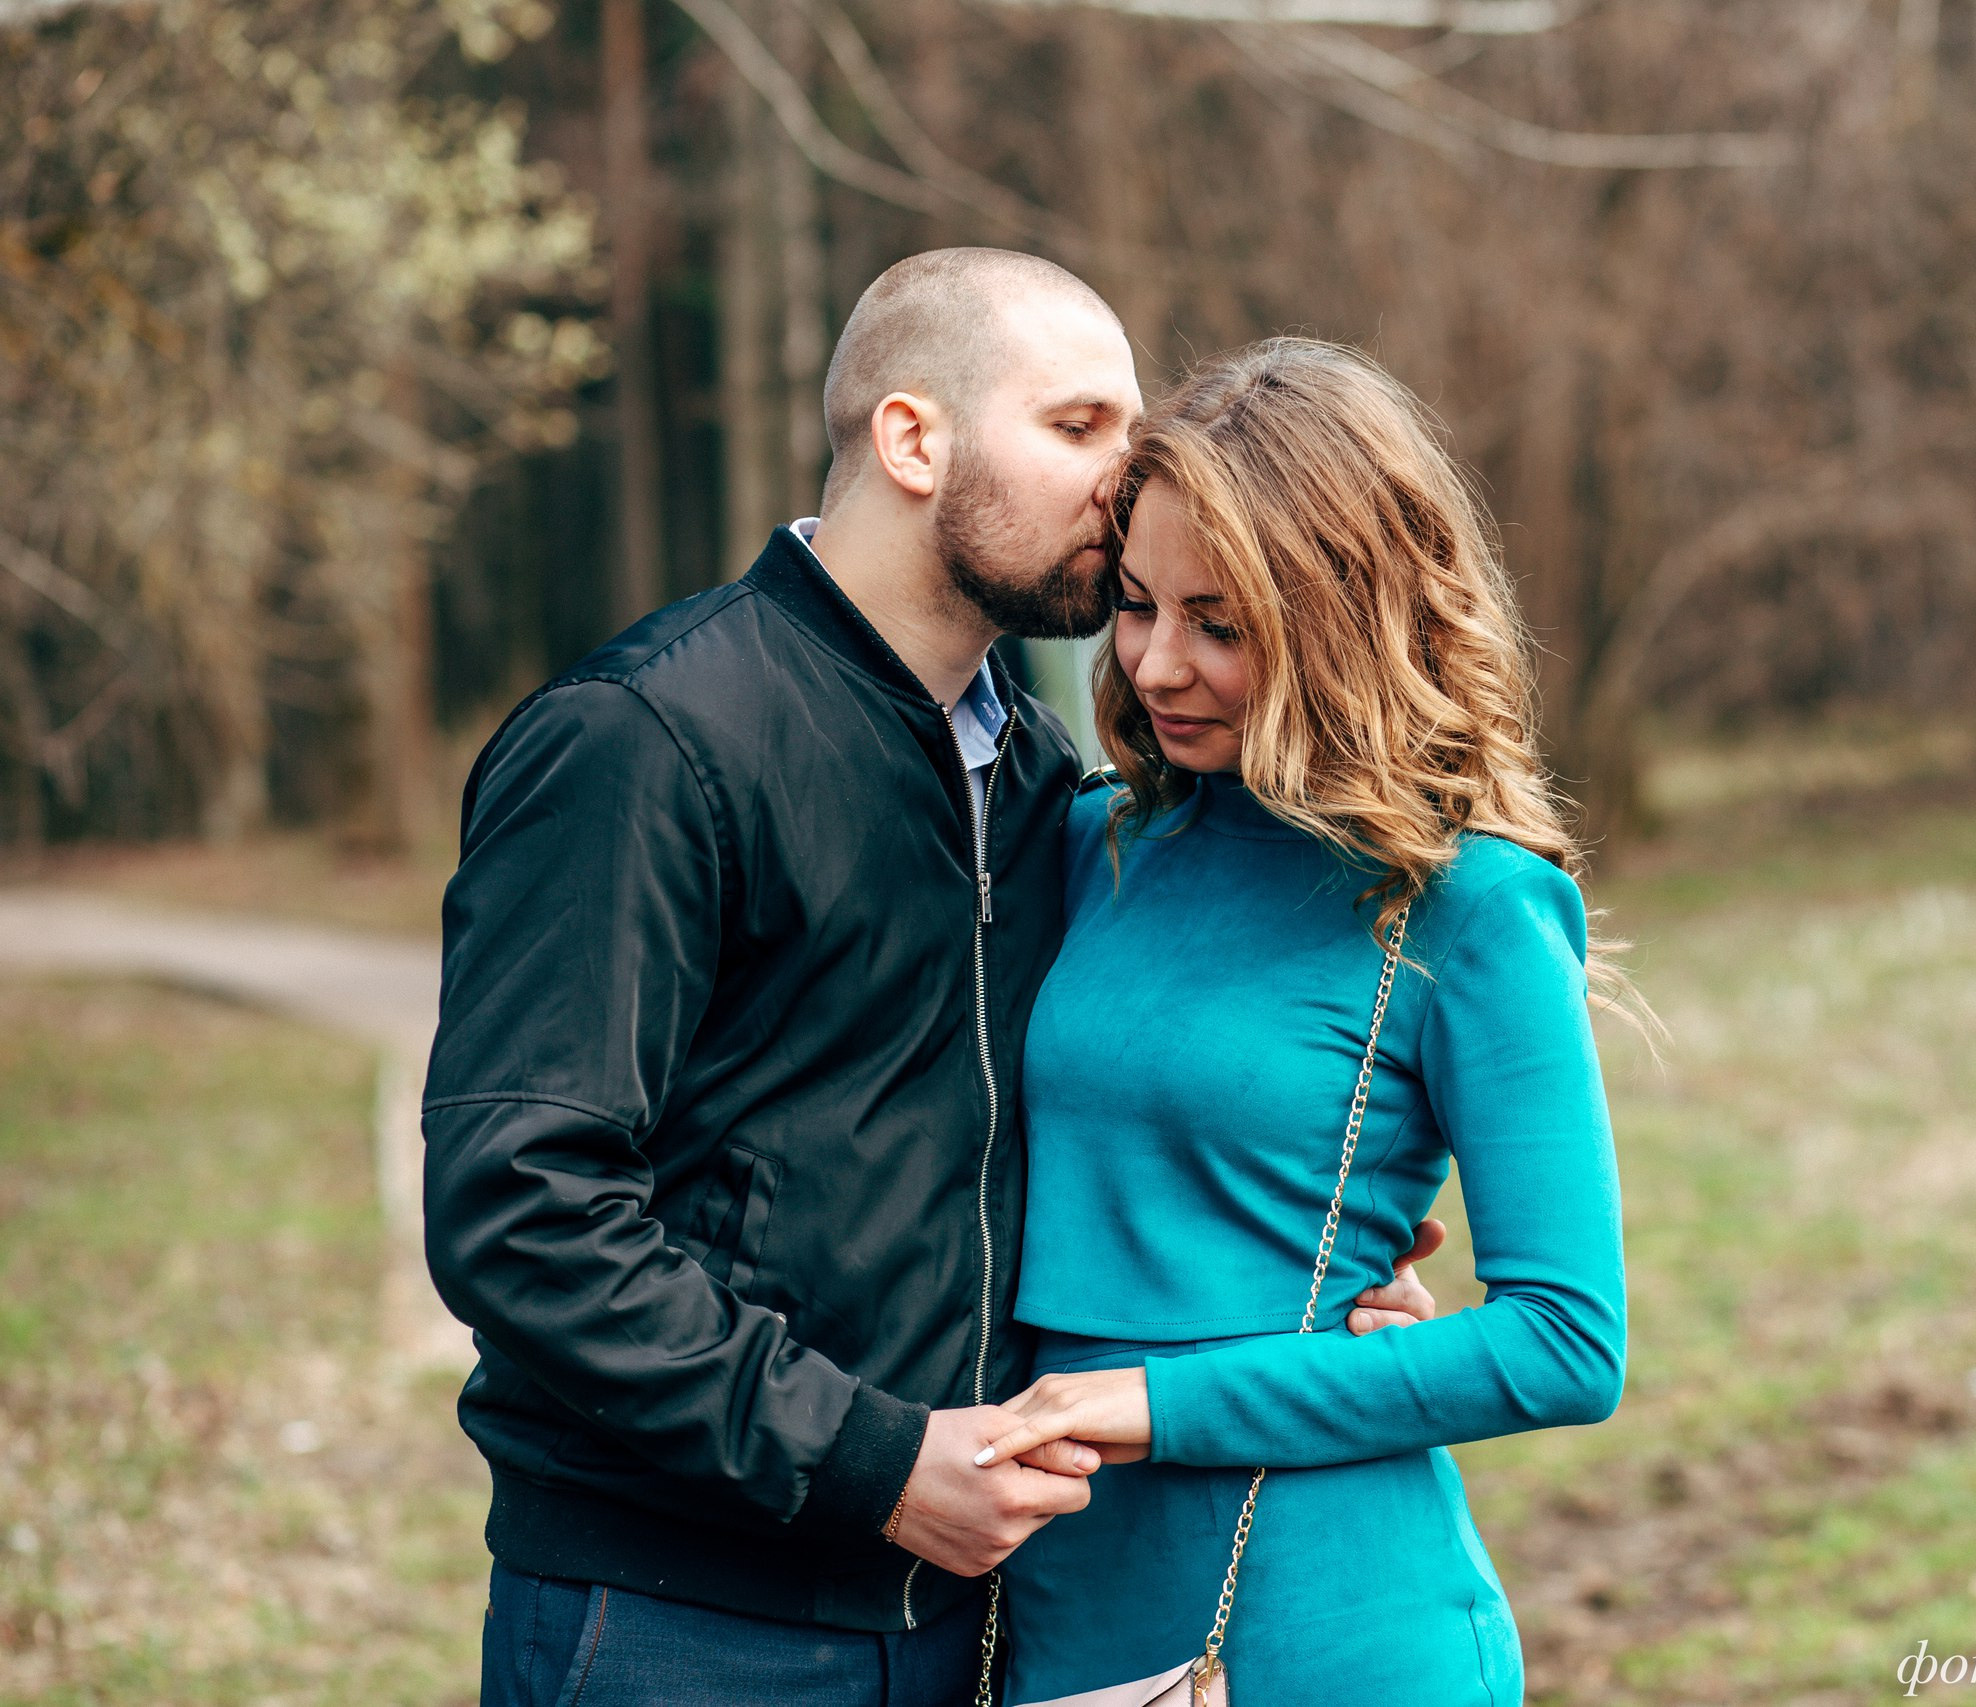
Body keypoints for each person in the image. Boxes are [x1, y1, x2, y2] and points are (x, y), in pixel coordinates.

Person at [421, 253, 1440, 1707]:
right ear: (913, 441)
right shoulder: (647, 739)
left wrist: (1313, 1264)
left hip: (964, 1623)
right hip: (680, 1623)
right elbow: (520, 1211)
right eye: (1079, 425)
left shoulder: (1038, 784)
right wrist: (872, 1463)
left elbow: (1043, 1136)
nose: (1129, 472)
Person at [981, 338, 1632, 1705]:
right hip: (1054, 1594)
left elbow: (1569, 1342)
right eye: (1140, 605)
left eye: (1219, 625)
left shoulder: (1463, 904)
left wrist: (1154, 1404)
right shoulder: (1087, 842)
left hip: (1321, 1616)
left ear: (1345, 614)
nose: (1157, 666)